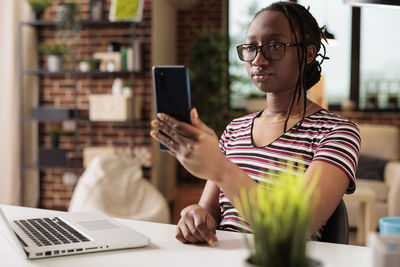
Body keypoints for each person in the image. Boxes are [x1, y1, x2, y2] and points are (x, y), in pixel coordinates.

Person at [150, 1, 360, 246]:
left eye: (274, 46)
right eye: (251, 47)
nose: (258, 60)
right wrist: (196, 218)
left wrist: (220, 168)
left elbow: (294, 228)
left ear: (308, 53)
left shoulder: (336, 132)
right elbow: (209, 214)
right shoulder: (235, 129)